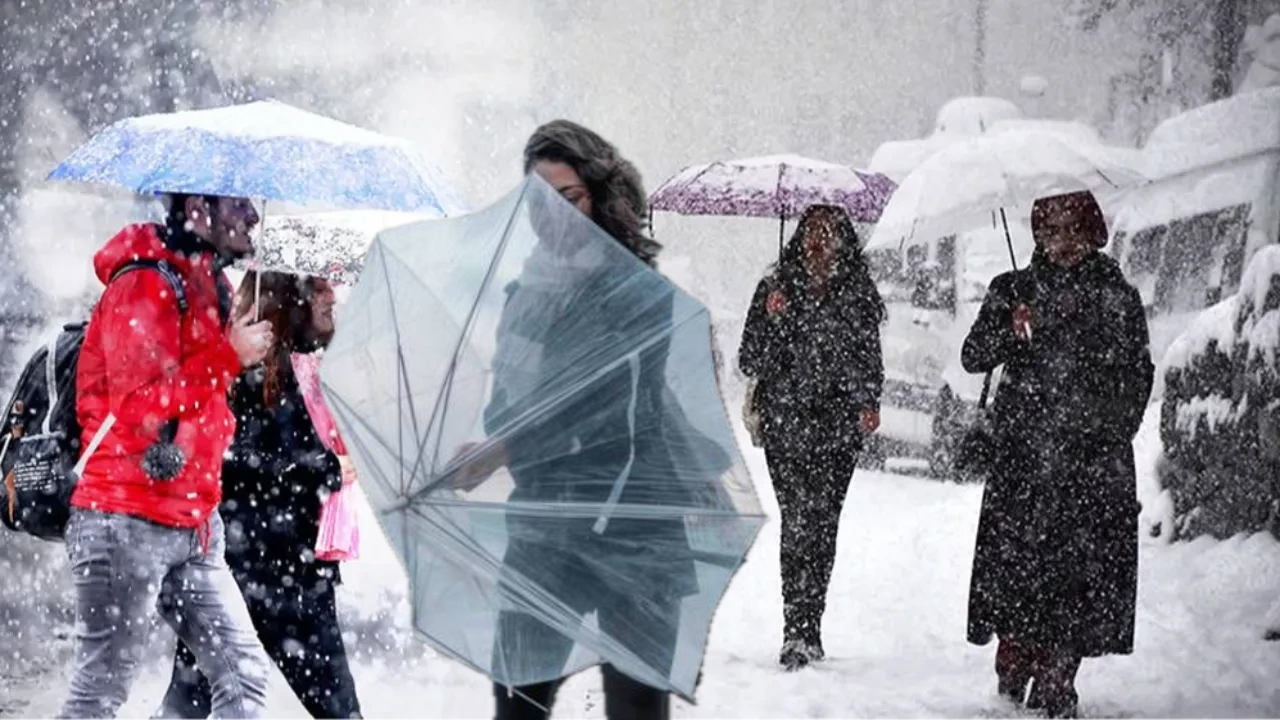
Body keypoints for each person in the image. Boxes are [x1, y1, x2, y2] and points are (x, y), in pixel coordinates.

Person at [448, 120, 692, 720]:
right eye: (539, 202)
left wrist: (504, 447)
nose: (552, 215)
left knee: (636, 709)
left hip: (635, 522)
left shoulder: (641, 293)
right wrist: (490, 441)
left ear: (600, 197)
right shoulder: (522, 295)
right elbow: (509, 400)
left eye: (569, 198)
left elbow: (612, 408)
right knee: (518, 702)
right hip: (547, 525)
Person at [62, 194, 275, 719]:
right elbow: (137, 405)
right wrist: (229, 356)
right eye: (239, 204)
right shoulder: (145, 282)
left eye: (256, 203)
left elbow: (207, 397)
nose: (253, 215)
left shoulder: (211, 283)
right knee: (99, 695)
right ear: (199, 206)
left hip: (195, 522)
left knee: (244, 676)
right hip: (124, 518)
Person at [962, 190, 1154, 718]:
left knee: (1078, 578)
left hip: (1090, 465)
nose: (1064, 242)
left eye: (1074, 229)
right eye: (1053, 230)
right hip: (1024, 462)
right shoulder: (1013, 289)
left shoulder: (1116, 296)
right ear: (1038, 236)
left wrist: (1104, 427)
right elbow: (972, 356)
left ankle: (1058, 675)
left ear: (1093, 232)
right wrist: (1009, 326)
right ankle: (1017, 652)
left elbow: (1137, 376)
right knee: (1019, 571)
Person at [156, 271, 363, 719]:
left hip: (287, 569)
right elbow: (232, 460)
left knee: (188, 704)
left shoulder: (311, 368)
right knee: (191, 703)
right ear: (292, 298)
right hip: (262, 570)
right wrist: (321, 469)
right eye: (321, 286)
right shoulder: (249, 372)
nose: (332, 295)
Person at [737, 204, 885, 670]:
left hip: (837, 429)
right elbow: (749, 358)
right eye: (812, 232)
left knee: (823, 525)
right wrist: (773, 318)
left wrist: (867, 403)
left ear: (844, 241)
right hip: (787, 425)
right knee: (798, 520)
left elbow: (868, 360)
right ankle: (794, 630)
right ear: (799, 238)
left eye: (830, 233)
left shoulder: (857, 294)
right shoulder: (775, 289)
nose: (819, 242)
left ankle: (812, 624)